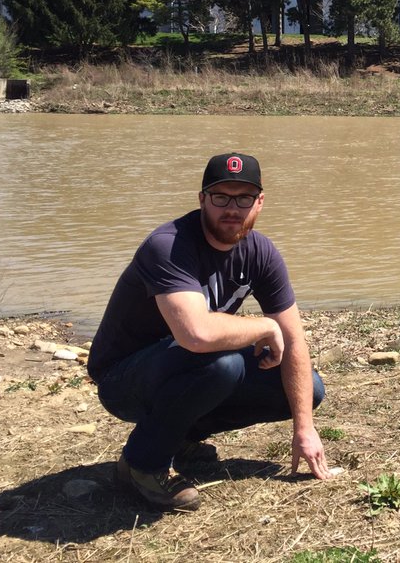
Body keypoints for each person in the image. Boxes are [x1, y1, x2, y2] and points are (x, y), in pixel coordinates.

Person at [87, 152, 329, 511]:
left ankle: (182, 436)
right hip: (124, 379)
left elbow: (294, 340)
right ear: (202, 199)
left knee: (309, 388)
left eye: (243, 198)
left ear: (259, 202)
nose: (232, 208)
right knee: (221, 365)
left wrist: (304, 429)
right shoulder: (168, 245)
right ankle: (141, 466)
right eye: (221, 197)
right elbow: (196, 334)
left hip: (185, 367)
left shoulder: (261, 253)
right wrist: (263, 326)